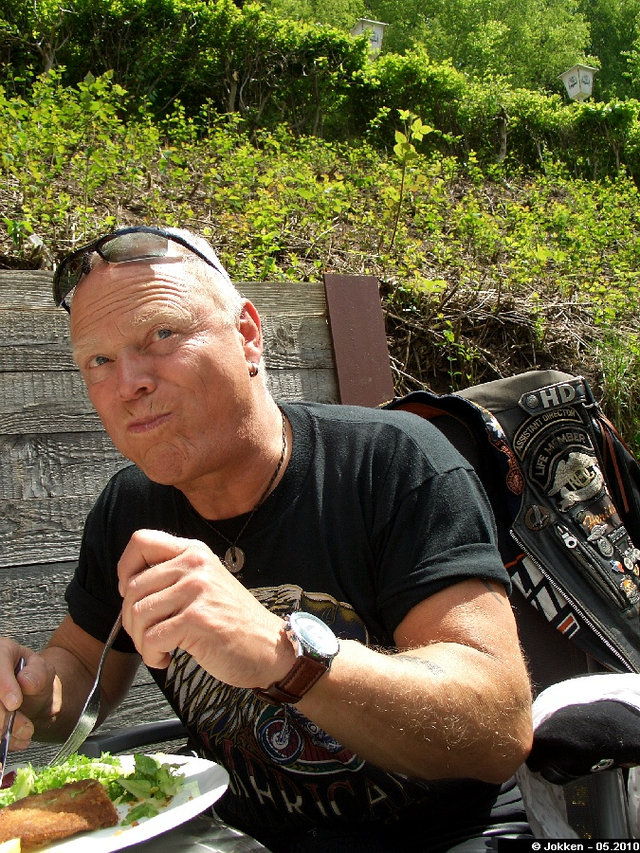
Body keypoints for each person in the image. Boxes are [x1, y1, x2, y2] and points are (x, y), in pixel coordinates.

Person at [0, 226, 533, 851]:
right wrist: (26, 689)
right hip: (241, 836)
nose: (129, 384)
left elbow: (497, 729)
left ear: (248, 335)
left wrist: (287, 656)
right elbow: (79, 670)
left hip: (445, 836)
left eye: (162, 334)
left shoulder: (392, 463)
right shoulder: (129, 508)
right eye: (99, 361)